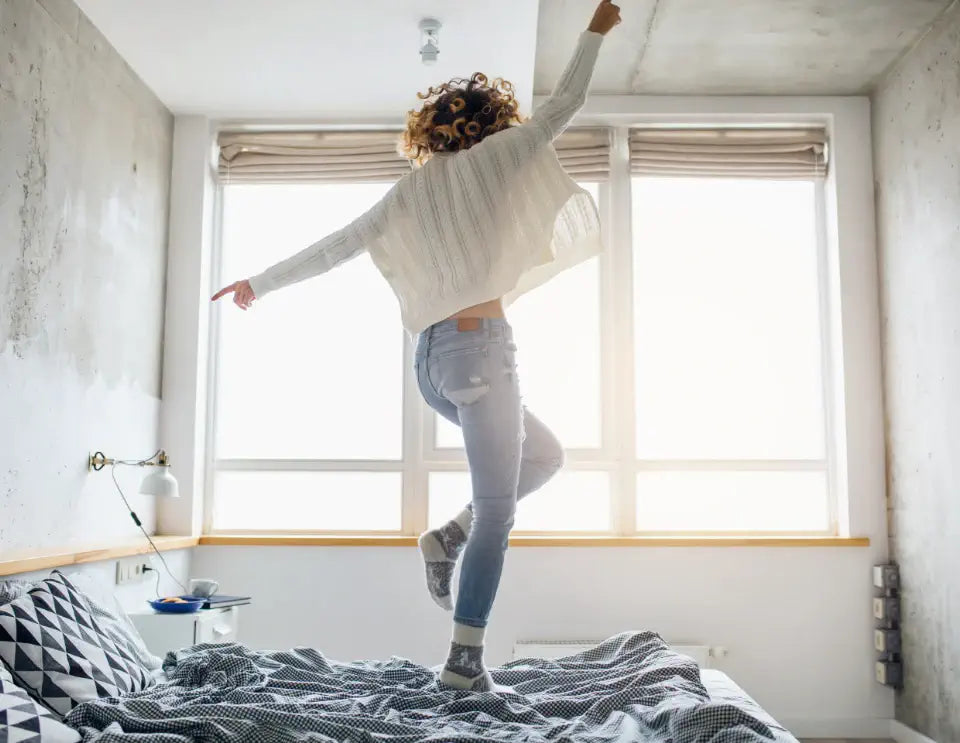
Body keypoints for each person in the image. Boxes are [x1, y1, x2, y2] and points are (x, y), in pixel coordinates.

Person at [212, 0, 621, 691]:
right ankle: (463, 664)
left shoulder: (408, 193)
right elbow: (567, 102)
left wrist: (259, 282)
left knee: (545, 453)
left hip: (431, 366)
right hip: (481, 350)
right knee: (502, 507)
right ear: (492, 123)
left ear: (432, 130)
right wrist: (596, 30)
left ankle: (450, 535)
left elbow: (335, 247)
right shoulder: (503, 156)